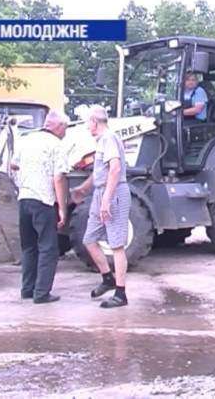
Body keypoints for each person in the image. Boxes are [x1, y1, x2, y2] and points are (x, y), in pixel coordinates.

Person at [70, 105, 131, 308]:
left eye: (88, 122)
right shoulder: (101, 141)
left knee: (116, 245)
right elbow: (100, 173)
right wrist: (82, 189)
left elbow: (114, 170)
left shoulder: (109, 138)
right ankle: (107, 278)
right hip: (100, 192)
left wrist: (106, 200)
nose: (87, 127)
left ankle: (121, 294)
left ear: (94, 122)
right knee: (89, 239)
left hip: (114, 194)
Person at [10, 109, 69, 304]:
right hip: (43, 200)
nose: (65, 132)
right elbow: (58, 177)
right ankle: (42, 294)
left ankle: (27, 289)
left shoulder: (26, 139)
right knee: (48, 248)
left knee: (29, 247)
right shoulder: (56, 144)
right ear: (58, 126)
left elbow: (13, 165)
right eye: (65, 128)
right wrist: (62, 208)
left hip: (24, 198)